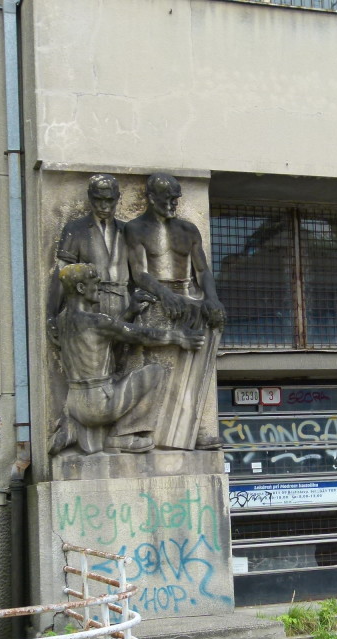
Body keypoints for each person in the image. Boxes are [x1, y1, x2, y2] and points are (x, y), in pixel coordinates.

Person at [49, 263, 204, 455]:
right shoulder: (95, 320)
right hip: (98, 404)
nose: (99, 288)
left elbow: (103, 341)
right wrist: (179, 337)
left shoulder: (62, 320)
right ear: (81, 288)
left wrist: (129, 312)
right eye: (94, 284)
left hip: (74, 402)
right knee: (154, 372)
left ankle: (73, 428)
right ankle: (121, 436)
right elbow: (141, 335)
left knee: (120, 373)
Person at [124, 173, 225, 450]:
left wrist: (212, 299)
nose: (173, 203)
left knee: (196, 364)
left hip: (189, 297)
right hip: (158, 299)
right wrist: (165, 295)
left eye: (176, 198)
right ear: (151, 197)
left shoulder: (188, 230)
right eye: (168, 198)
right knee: (158, 368)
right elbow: (139, 272)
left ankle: (196, 430)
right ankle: (150, 428)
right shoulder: (135, 229)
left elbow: (203, 270)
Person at [49, 174, 130, 320]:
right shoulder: (75, 229)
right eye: (98, 199)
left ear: (117, 198)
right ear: (90, 197)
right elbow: (62, 274)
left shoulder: (127, 230)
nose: (103, 206)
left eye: (109, 200)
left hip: (124, 305)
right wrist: (51, 315)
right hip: (91, 307)